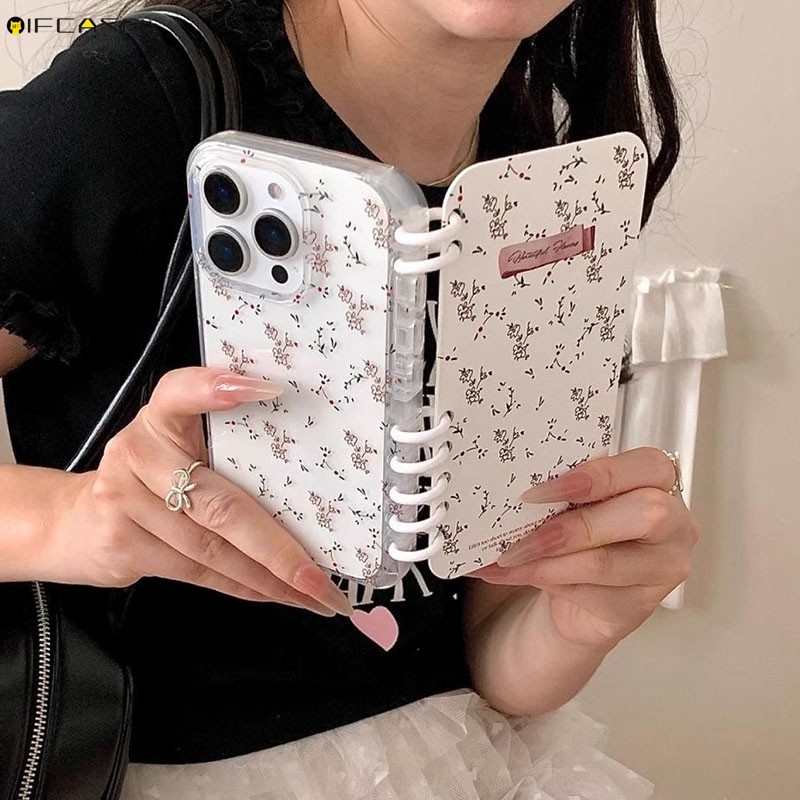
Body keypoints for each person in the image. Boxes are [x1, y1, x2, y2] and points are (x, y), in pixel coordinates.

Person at [0, 0, 701, 797]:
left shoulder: (543, 173)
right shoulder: (137, 104)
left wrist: (582, 619)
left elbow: (486, 652)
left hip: (455, 767)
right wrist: (76, 518)